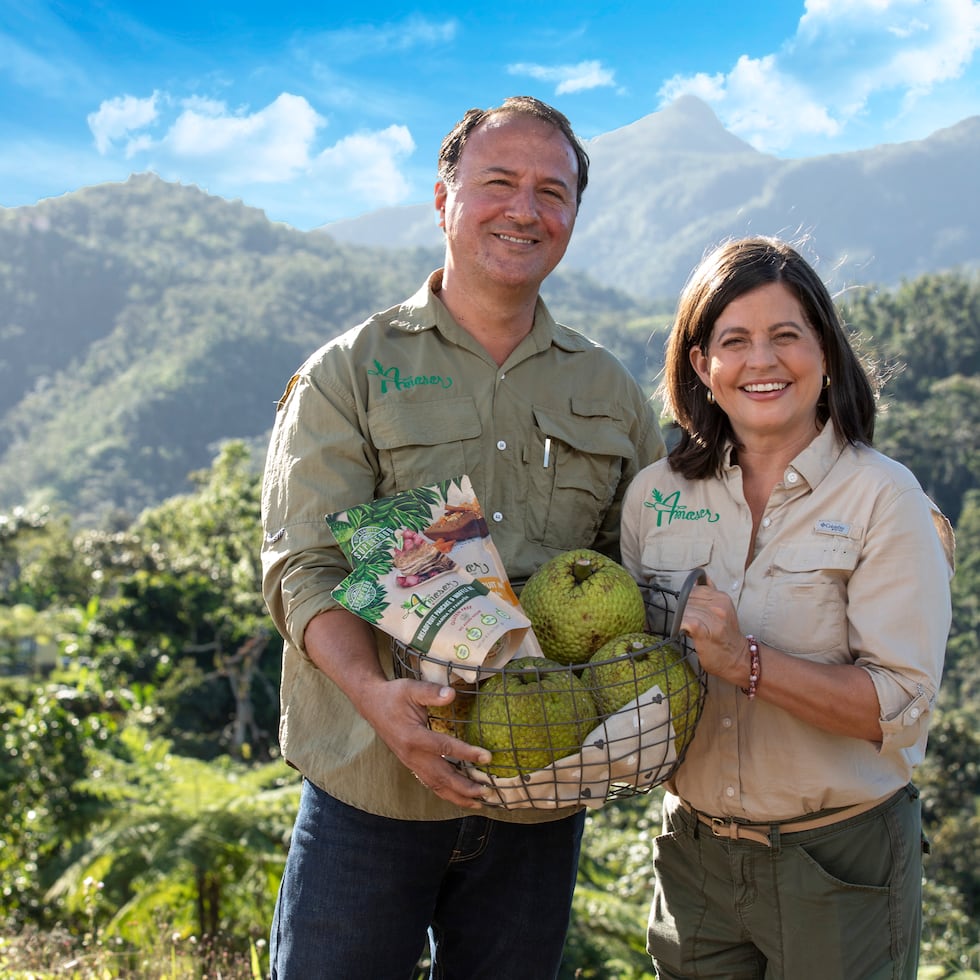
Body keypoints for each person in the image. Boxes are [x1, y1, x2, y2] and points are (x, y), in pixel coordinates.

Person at [260, 95, 666, 979]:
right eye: (499, 182)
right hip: (371, 786)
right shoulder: (350, 373)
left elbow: (640, 573)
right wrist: (376, 697)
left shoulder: (610, 392)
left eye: (552, 192)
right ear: (443, 199)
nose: (526, 209)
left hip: (542, 798)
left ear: (572, 221)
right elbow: (305, 567)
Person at [619, 235, 955, 980]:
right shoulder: (655, 495)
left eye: (786, 336)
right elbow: (632, 666)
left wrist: (747, 664)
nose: (762, 361)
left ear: (826, 353)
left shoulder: (884, 498)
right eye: (734, 340)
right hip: (693, 859)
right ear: (702, 366)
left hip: (839, 864)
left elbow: (899, 707)